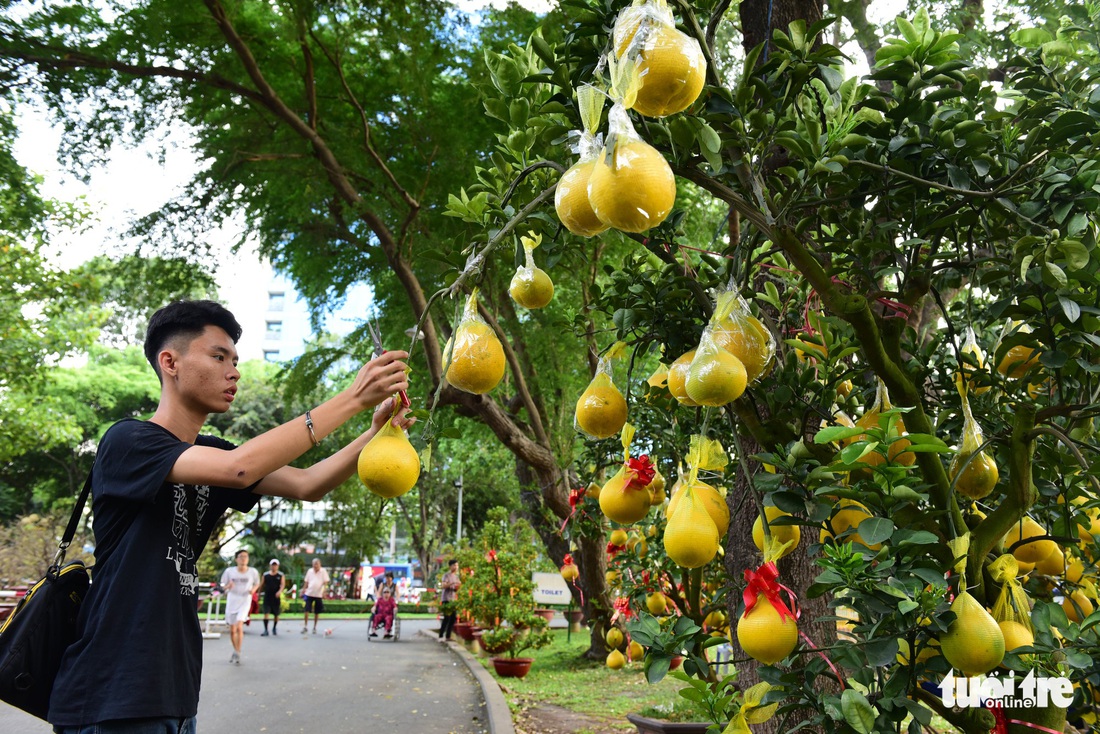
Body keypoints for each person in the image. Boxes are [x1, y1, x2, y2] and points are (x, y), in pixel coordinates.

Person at [49, 299, 410, 733]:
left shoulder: (214, 453)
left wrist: (374, 433)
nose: (234, 371)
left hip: (175, 696)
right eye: (218, 356)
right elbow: (240, 469)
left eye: (235, 360)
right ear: (170, 362)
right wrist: (352, 398)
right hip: (111, 695)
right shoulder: (129, 441)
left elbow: (307, 484)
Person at [220, 549, 260, 665]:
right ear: (236, 559)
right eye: (241, 556)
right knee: (232, 630)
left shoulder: (252, 572)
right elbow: (222, 586)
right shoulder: (229, 571)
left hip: (245, 599)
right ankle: (235, 650)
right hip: (233, 599)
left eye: (246, 557)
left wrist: (253, 590)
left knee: (239, 625)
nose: (243, 559)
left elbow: (257, 583)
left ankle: (238, 651)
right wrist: (228, 586)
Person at [302, 557, 329, 634]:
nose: (315, 566)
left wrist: (324, 592)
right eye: (314, 564)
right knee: (306, 610)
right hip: (309, 593)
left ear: (320, 564)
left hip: (318, 594)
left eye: (317, 564)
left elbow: (325, 583)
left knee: (317, 612)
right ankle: (305, 626)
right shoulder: (310, 571)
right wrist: (303, 590)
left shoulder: (323, 571)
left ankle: (314, 627)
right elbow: (306, 582)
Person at [260, 559, 286, 636]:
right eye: (272, 565)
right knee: (266, 613)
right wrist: (258, 594)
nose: (274, 567)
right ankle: (265, 630)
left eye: (275, 565)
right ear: (270, 566)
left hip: (276, 597)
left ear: (277, 566)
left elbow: (282, 584)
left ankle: (274, 627)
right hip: (267, 596)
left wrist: (280, 591)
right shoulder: (266, 575)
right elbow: (262, 584)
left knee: (276, 614)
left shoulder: (280, 575)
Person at [438, 559, 461, 642]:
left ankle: (448, 636)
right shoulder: (446, 575)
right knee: (446, 617)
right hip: (446, 599)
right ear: (450, 566)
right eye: (454, 565)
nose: (456, 567)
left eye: (457, 565)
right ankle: (441, 635)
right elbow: (443, 585)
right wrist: (451, 584)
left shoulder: (456, 577)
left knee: (453, 618)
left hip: (453, 599)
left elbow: (458, 586)